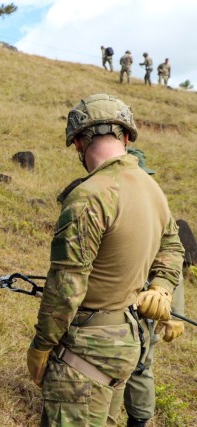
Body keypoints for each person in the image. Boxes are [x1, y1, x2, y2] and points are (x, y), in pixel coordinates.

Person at [27, 93, 184, 426]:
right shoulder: (150, 187)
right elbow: (173, 246)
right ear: (126, 136)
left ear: (78, 144)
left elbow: (66, 287)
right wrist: (162, 286)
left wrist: (41, 346)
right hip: (127, 342)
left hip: (85, 349)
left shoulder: (90, 195)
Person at [122, 147, 186, 427]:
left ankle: (139, 420)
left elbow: (172, 265)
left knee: (139, 366)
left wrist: (174, 314)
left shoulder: (157, 212)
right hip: (109, 305)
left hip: (146, 308)